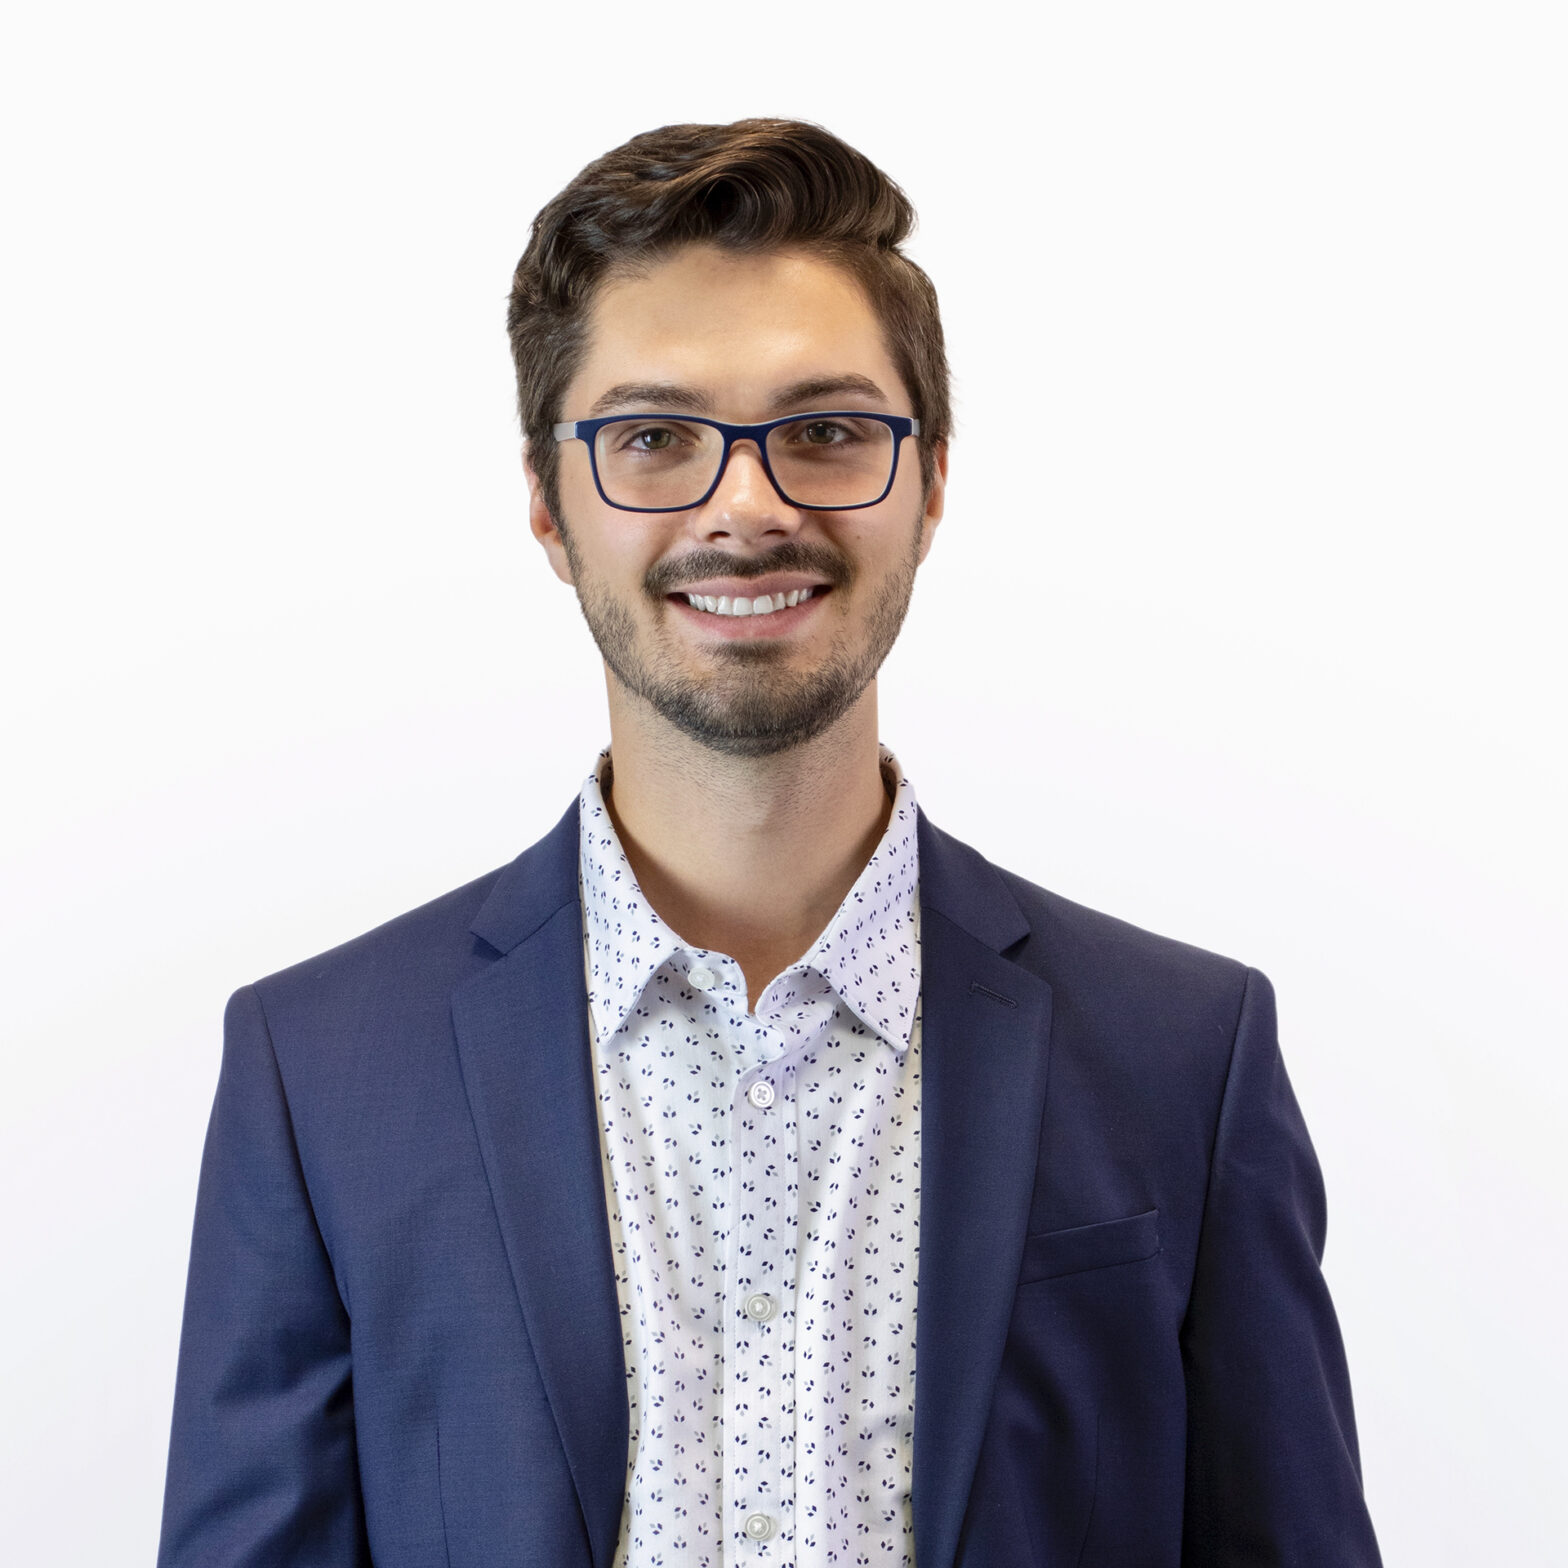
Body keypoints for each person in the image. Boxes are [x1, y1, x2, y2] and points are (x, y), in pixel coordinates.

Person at [157, 118, 1383, 1568]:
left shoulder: (1185, 1054)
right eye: (654, 439)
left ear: (930, 482)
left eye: (826, 431)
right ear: (548, 504)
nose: (749, 504)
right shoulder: (322, 1072)